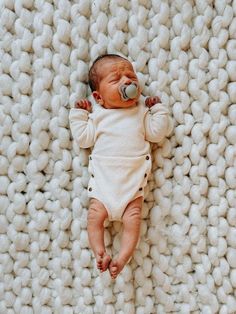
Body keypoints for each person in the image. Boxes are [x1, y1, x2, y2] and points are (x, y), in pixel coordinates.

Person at [69, 54, 170, 279]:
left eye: (131, 76)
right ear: (99, 97)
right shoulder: (98, 114)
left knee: (133, 220)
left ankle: (123, 257)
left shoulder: (141, 110)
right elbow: (84, 139)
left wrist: (158, 111)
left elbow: (156, 134)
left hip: (131, 187)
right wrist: (80, 115)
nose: (128, 82)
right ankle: (100, 252)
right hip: (104, 185)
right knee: (94, 218)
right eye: (116, 80)